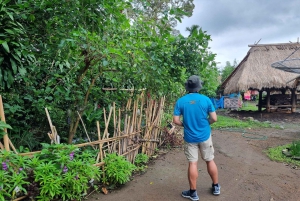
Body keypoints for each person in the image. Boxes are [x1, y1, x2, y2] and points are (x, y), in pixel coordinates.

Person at [173, 75, 220, 201]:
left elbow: (175, 120)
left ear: (187, 87)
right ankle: (216, 187)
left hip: (190, 137)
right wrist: (206, 124)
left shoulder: (181, 101)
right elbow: (214, 118)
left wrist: (185, 124)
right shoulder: (206, 100)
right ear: (199, 87)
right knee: (210, 160)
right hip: (205, 135)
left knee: (193, 163)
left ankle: (193, 193)